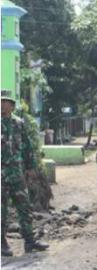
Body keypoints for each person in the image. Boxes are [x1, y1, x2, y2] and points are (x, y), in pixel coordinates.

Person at [1, 96, 49, 256]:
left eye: (4, 102)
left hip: (17, 174)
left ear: (11, 106)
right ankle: (2, 243)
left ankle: (29, 241)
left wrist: (30, 167)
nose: (2, 105)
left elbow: (27, 147)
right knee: (2, 210)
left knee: (24, 207)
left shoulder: (18, 123)